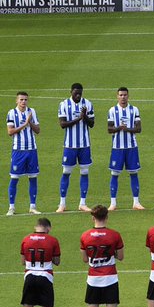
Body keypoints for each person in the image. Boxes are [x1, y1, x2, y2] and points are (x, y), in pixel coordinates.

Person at [80, 204, 127, 307]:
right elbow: (120, 257)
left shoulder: (85, 236)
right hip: (110, 278)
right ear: (107, 217)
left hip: (93, 278)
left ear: (93, 218)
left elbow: (84, 259)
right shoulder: (115, 235)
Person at [18, 217, 63, 307]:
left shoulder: (26, 239)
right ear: (48, 228)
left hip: (30, 277)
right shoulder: (53, 240)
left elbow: (22, 261)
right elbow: (57, 261)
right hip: (45, 277)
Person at [57, 83, 95, 213]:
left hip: (84, 145)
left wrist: (85, 117)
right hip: (70, 145)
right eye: (76, 93)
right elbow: (62, 124)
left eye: (80, 93)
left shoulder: (88, 104)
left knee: (84, 172)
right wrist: (79, 118)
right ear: (71, 92)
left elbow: (92, 124)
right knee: (66, 172)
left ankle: (82, 203)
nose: (78, 95)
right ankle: (62, 203)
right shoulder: (64, 104)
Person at [107, 86, 144, 211]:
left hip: (131, 147)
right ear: (117, 96)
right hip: (117, 147)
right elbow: (109, 129)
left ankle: (136, 202)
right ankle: (113, 203)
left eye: (125, 95)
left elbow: (139, 129)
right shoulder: (112, 110)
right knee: (115, 174)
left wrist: (126, 129)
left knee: (134, 173)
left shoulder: (134, 110)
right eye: (121, 95)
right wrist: (119, 128)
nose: (123, 97)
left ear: (128, 96)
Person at [6, 91, 41, 216]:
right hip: (18, 150)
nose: (23, 102)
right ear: (17, 101)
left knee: (33, 177)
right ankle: (11, 207)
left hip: (32, 150)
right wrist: (24, 124)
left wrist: (30, 122)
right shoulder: (11, 113)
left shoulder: (32, 112)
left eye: (25, 100)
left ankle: (32, 206)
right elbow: (10, 132)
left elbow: (38, 130)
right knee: (14, 178)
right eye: (21, 99)